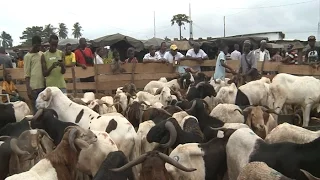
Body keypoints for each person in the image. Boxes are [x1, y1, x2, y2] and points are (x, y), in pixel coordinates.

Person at [24, 35, 45, 113]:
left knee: (43, 110)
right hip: (33, 88)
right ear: (33, 45)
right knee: (36, 111)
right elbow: (27, 74)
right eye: (37, 46)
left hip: (42, 86)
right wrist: (28, 89)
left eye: (40, 46)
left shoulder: (42, 54)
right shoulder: (27, 57)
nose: (39, 48)